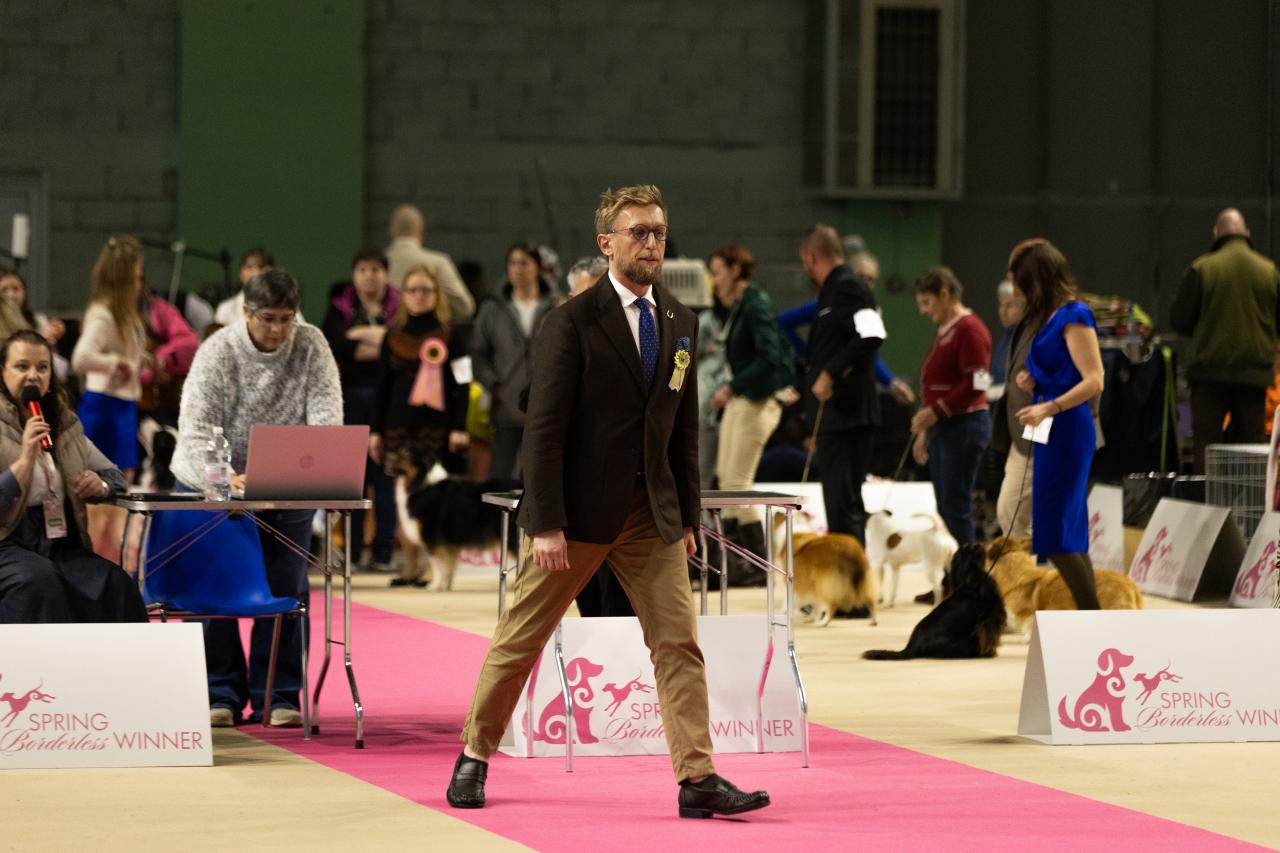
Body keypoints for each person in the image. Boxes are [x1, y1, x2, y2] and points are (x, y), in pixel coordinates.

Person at [447, 184, 770, 819]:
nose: (651, 243)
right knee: (521, 638)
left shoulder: (679, 321)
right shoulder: (569, 322)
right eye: (638, 232)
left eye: (658, 232)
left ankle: (697, 778)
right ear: (607, 243)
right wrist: (545, 522)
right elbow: (543, 431)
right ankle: (474, 755)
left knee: (678, 645)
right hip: (573, 517)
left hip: (652, 515)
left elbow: (681, 432)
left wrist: (687, 516)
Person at [172, 270, 343, 726]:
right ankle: (220, 693)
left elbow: (326, 423)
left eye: (287, 318)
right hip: (213, 480)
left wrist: (287, 473)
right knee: (212, 586)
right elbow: (195, 431)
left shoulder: (312, 344)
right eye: (268, 318)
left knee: (287, 587)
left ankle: (279, 695)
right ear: (246, 312)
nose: (279, 329)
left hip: (286, 482)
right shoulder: (217, 351)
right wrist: (227, 479)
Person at [0, 330, 146, 624]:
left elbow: (115, 477)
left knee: (116, 583)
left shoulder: (64, 424)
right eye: (22, 366)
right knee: (39, 580)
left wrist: (100, 485)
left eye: (42, 367)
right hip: (7, 543)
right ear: (2, 371)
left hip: (57, 541)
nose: (33, 376)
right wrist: (25, 459)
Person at [1010, 239, 1105, 609]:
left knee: (1055, 534)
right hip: (1052, 426)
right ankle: (1090, 616)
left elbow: (1094, 379)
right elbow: (1064, 371)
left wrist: (1050, 405)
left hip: (1067, 428)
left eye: (1021, 284)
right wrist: (1035, 381)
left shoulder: (1074, 315)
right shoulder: (1050, 317)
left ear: (1037, 281)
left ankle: (1091, 615)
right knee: (1066, 532)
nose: (1018, 293)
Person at [368, 265, 470, 587]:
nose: (419, 296)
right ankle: (409, 564)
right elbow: (381, 387)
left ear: (437, 295)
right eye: (412, 289)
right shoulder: (391, 336)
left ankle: (432, 565)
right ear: (404, 295)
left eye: (426, 290)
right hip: (397, 426)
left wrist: (460, 426)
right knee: (401, 499)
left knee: (435, 500)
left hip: (437, 428)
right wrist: (375, 431)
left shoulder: (452, 335)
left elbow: (464, 383)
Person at [1170, 208, 1280, 473]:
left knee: (1206, 446)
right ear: (1247, 233)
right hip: (1254, 376)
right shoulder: (1269, 271)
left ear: (1216, 232)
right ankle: (1252, 499)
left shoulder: (1202, 268)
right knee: (1252, 449)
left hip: (1209, 375)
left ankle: (1206, 498)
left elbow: (1179, 320)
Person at [707, 242, 794, 563]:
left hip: (756, 401)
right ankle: (738, 560)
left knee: (736, 484)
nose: (714, 280)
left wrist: (732, 386)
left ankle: (757, 561)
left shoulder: (755, 305)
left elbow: (770, 356)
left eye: (717, 273)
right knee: (726, 481)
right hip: (742, 399)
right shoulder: (741, 305)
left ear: (735, 271)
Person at [801, 224, 884, 543]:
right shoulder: (833, 289)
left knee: (844, 509)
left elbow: (872, 335)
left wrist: (830, 373)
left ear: (811, 257)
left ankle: (852, 576)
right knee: (839, 509)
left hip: (848, 417)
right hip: (837, 418)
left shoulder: (849, 287)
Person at [322, 248, 400, 572]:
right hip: (350, 397)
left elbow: (400, 346)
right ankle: (352, 552)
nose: (369, 276)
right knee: (353, 478)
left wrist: (359, 338)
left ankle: (384, 552)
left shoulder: (399, 307)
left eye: (375, 270)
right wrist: (379, 341)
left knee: (385, 478)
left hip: (389, 400)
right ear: (354, 275)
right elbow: (335, 345)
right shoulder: (339, 307)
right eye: (363, 270)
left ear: (386, 274)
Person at [71, 235, 146, 557]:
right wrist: (115, 363)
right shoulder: (104, 313)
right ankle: (98, 561)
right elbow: (80, 358)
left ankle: (113, 560)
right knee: (102, 496)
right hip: (105, 408)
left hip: (123, 407)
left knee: (120, 493)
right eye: (137, 274)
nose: (140, 281)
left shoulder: (123, 312)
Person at [909, 267, 992, 545]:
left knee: (955, 507)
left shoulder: (969, 329)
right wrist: (926, 430)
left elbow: (978, 382)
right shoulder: (946, 330)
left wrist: (936, 412)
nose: (923, 311)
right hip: (943, 428)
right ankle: (953, 569)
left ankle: (968, 569)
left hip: (964, 427)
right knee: (945, 507)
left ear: (944, 294)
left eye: (926, 302)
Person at [777, 251, 914, 406]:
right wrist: (807, 354)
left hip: (854, 387)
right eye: (861, 277)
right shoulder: (829, 303)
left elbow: (866, 352)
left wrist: (890, 382)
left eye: (871, 279)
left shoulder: (867, 311)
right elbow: (782, 322)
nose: (865, 283)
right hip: (828, 383)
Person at [469, 241, 555, 481]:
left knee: (542, 476)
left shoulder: (556, 306)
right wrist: (493, 384)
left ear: (537, 268)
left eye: (524, 263)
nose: (518, 269)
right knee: (503, 477)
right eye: (513, 263)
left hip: (546, 405)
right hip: (505, 406)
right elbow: (478, 352)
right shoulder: (492, 308)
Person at [385, 203, 475, 320]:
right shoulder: (438, 262)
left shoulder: (375, 267)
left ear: (391, 230)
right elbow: (465, 307)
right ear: (421, 231)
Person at [0, 270, 66, 380]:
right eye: (4, 290)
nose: (11, 295)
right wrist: (41, 338)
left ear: (24, 292)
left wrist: (52, 334)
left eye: (16, 289)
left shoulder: (38, 319)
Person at [213, 247, 298, 329]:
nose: (256, 272)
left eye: (262, 267)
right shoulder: (226, 308)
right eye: (250, 267)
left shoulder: (286, 304)